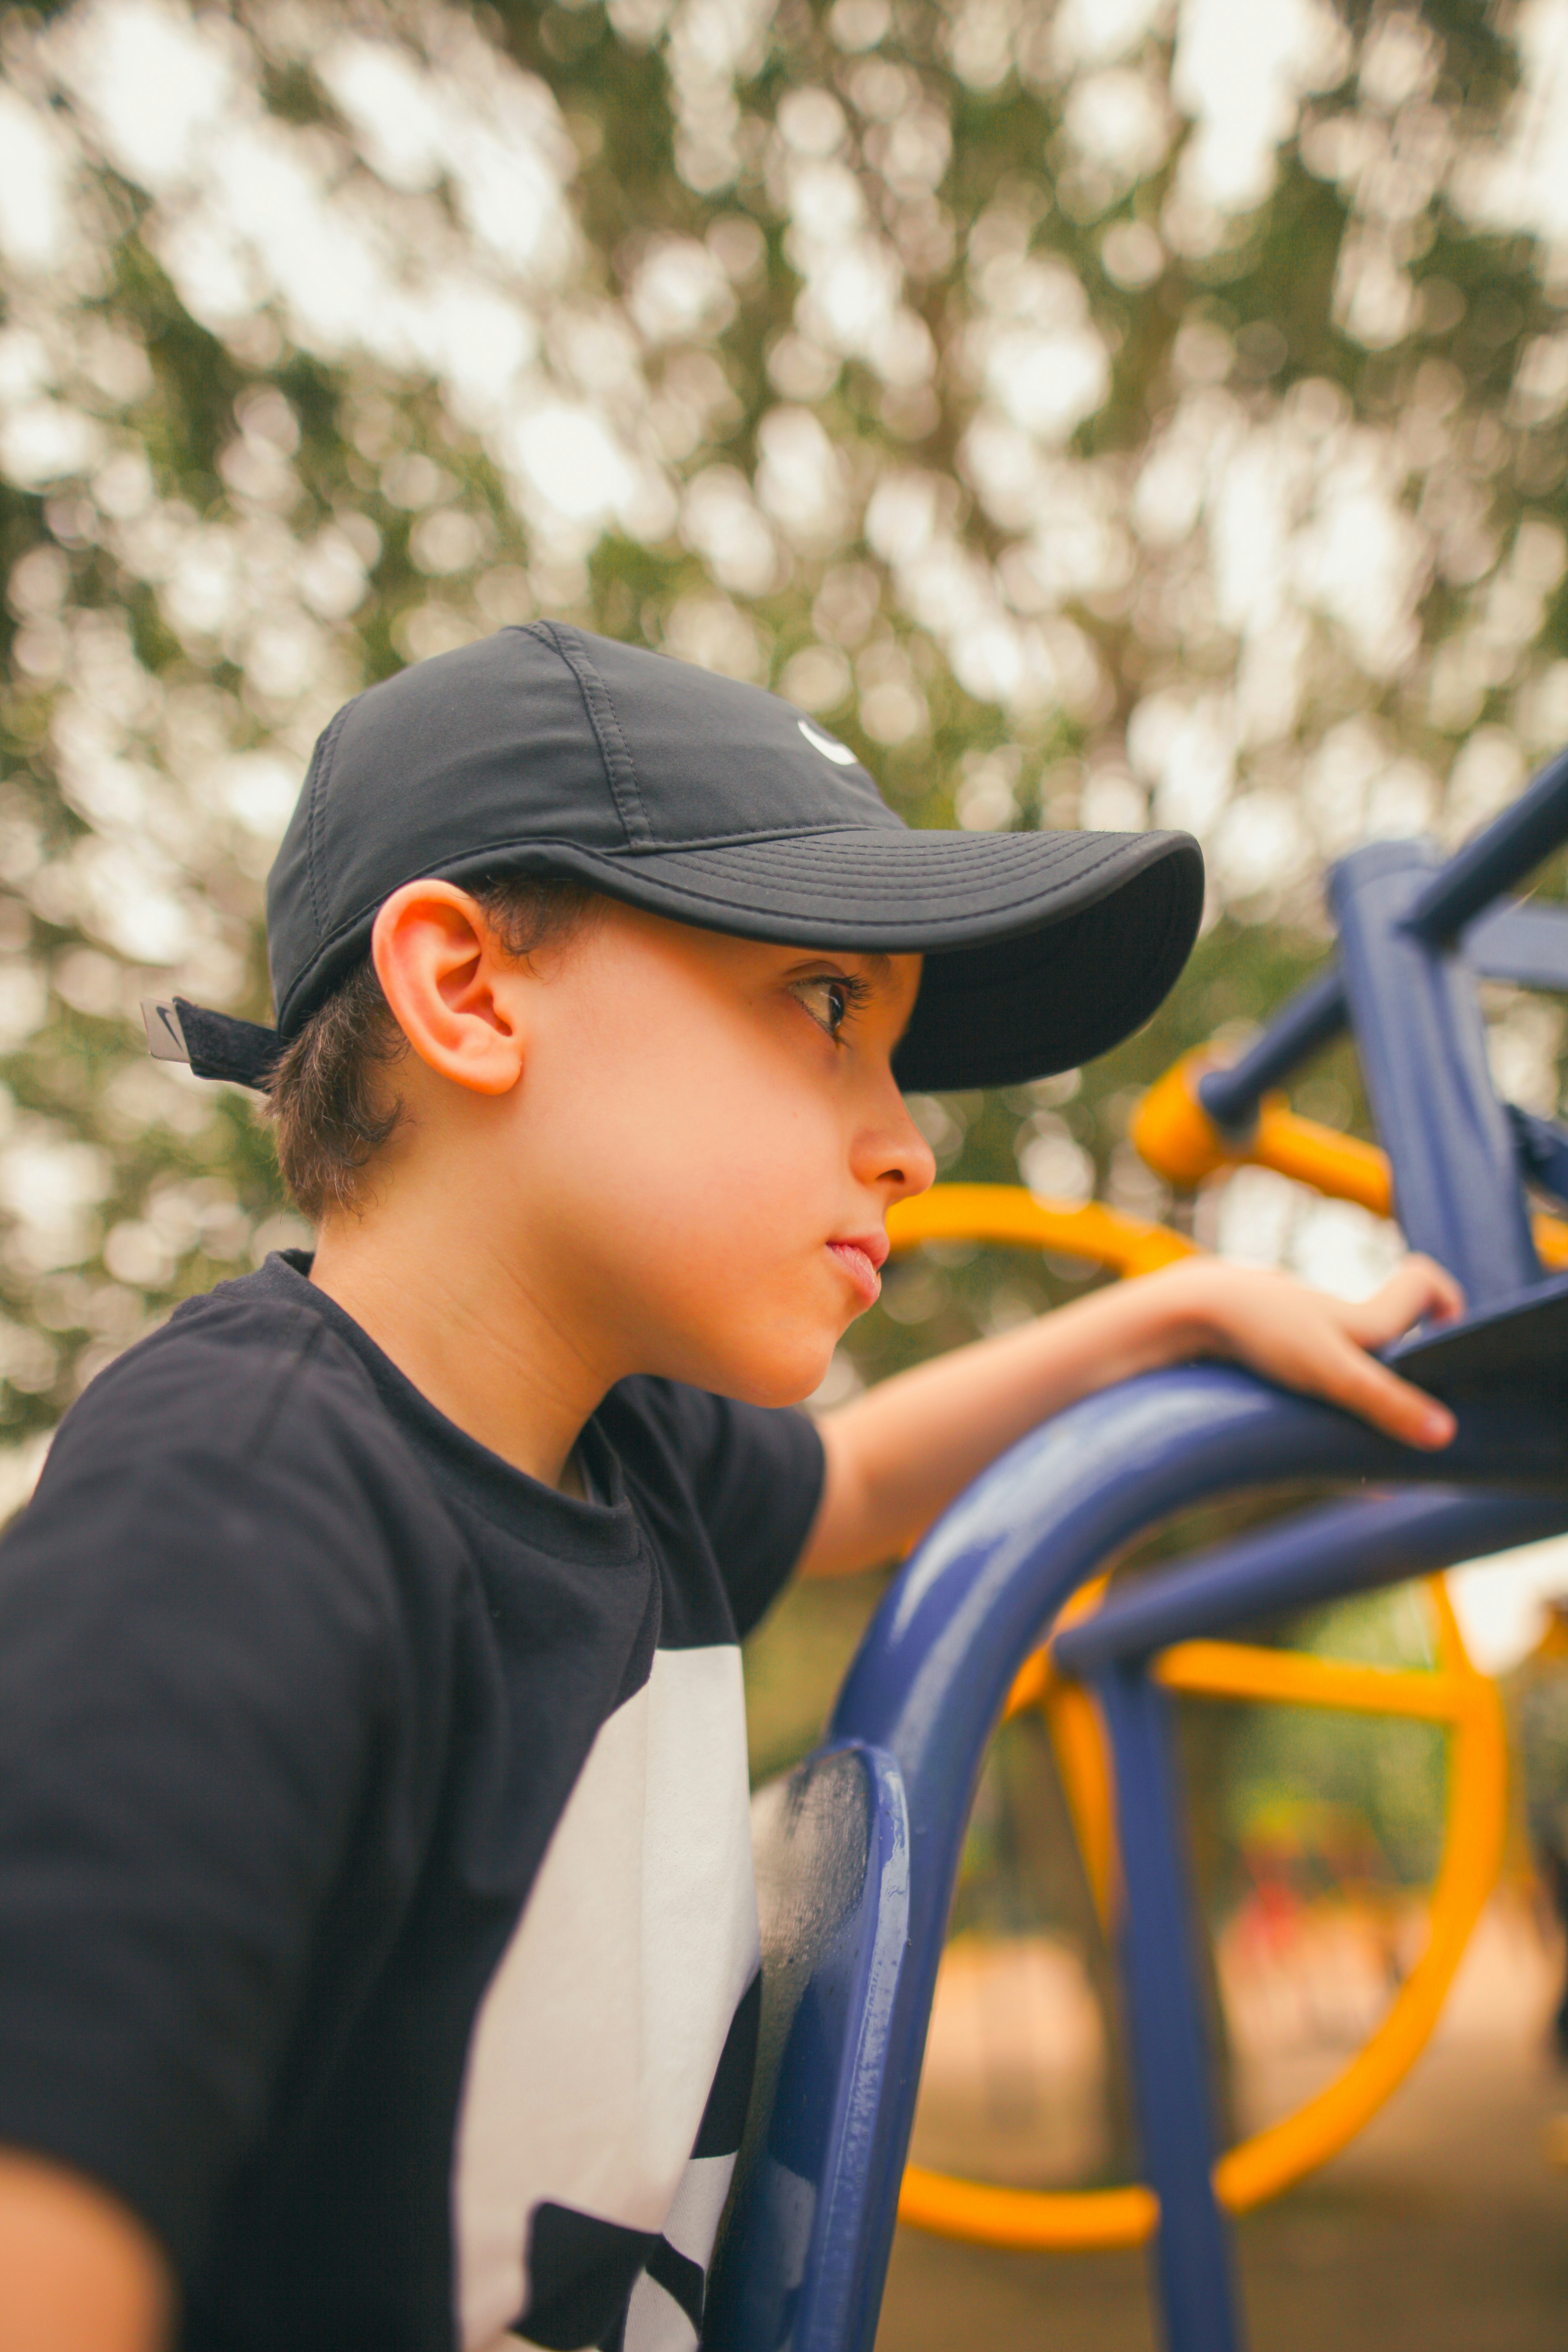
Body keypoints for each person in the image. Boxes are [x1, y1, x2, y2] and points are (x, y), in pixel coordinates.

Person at [0, 624, 1462, 2352]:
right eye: (829, 1007)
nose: (911, 1141)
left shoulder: (631, 1455)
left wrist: (1175, 1312)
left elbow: (850, 1482)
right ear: (466, 993)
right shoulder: (238, 1519)